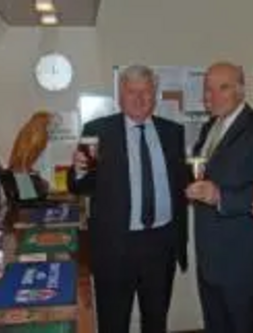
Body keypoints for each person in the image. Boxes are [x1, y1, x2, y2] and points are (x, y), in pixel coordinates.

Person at [67, 65, 188, 333]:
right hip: (115, 248)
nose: (139, 98)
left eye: (146, 91)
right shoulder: (98, 130)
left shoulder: (173, 133)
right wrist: (78, 168)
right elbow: (79, 185)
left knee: (156, 322)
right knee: (113, 323)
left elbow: (182, 183)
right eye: (132, 91)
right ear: (120, 96)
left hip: (161, 244)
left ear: (154, 95)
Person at [185, 61, 253, 333]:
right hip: (210, 259)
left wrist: (221, 196)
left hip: (244, 262)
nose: (213, 95)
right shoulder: (210, 128)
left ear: (241, 90)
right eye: (208, 89)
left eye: (223, 87)